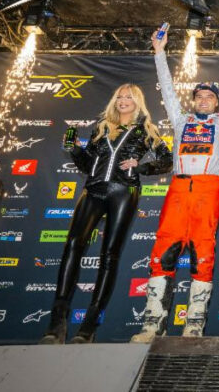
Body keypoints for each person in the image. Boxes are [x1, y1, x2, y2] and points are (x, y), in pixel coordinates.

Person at [131, 27, 219, 342]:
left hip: (208, 190)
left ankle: (194, 324)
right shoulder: (180, 120)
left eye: (210, 96)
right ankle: (152, 323)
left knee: (204, 254)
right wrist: (160, 52)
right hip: (178, 190)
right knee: (162, 250)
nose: (204, 100)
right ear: (194, 101)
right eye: (200, 96)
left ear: (217, 103)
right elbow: (165, 86)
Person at [40, 84, 171, 344]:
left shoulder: (147, 129)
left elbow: (167, 159)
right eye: (119, 97)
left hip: (123, 192)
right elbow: (88, 165)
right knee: (73, 245)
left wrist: (142, 166)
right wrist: (76, 149)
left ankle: (89, 326)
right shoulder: (101, 127)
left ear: (138, 102)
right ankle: (57, 323)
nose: (123, 101)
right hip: (94, 190)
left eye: (129, 97)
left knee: (109, 255)